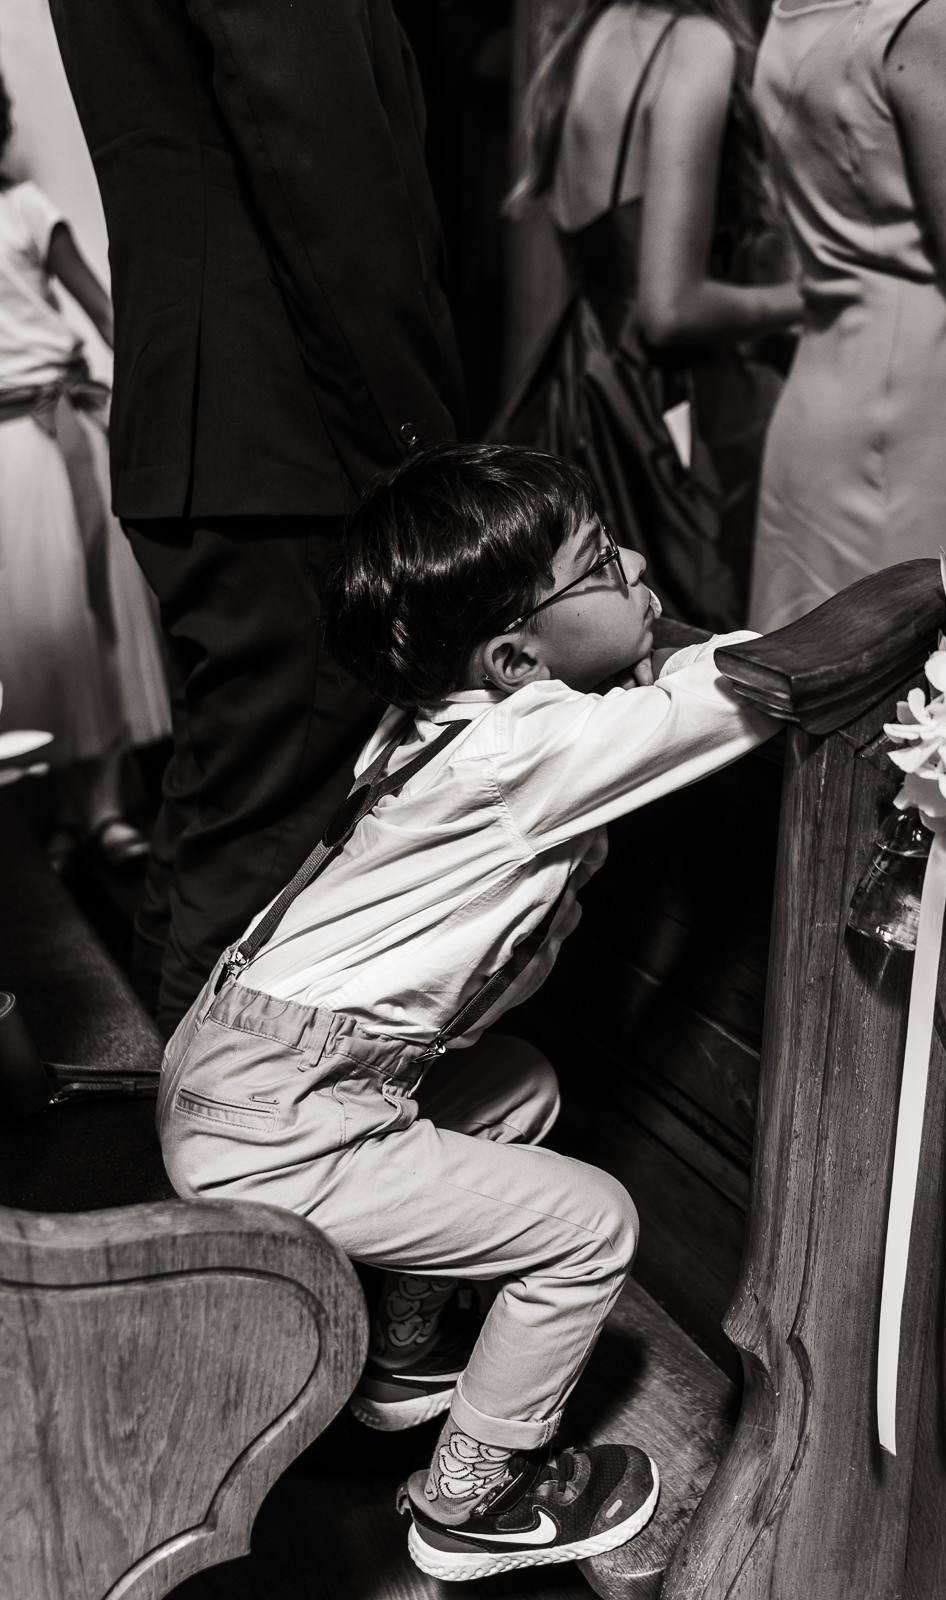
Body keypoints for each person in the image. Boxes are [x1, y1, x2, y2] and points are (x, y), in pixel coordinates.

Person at [156, 442, 776, 1578]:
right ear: (513, 656)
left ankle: (402, 1356)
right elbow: (739, 694)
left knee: (517, 1086)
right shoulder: (522, 750)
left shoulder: (432, 716)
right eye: (603, 565)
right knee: (590, 1227)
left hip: (240, 1069)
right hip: (281, 1121)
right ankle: (468, 1502)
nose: (638, 566)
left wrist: (619, 644)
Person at [47, 0, 466, 1034]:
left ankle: (153, 1093)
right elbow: (318, 154)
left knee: (220, 809)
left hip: (217, 417)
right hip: (287, 426)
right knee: (264, 847)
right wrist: (415, 444)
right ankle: (202, 1128)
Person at [494, 0, 801, 633]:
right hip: (663, 414)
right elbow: (668, 308)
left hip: (582, 383)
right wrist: (809, 299)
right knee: (689, 651)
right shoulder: (691, 45)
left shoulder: (588, 35)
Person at [748, 0, 946, 633]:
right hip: (924, 407)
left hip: (818, 387)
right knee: (915, 663)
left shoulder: (793, 10)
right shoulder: (928, 19)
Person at [0, 73, 165, 871]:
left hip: (53, 434)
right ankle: (61, 808)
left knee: (89, 619)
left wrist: (137, 402)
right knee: (29, 639)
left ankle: (104, 807)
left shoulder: (26, 208)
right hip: (3, 447)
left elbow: (105, 312)